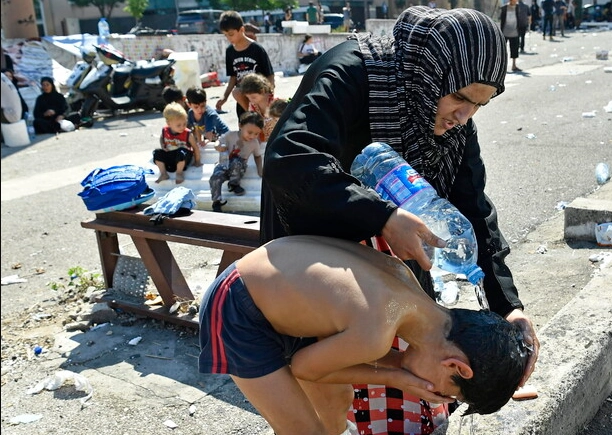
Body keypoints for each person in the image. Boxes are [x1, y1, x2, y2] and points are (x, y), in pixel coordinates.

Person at [259, 7, 539, 434]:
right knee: (327, 394)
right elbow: (290, 160)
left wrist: (509, 307)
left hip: (390, 266)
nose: (464, 116)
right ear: (431, 74)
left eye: (480, 105)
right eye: (460, 98)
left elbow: (472, 208)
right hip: (317, 261)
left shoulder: (455, 121)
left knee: (407, 367)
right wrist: (383, 216)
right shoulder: (351, 74)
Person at [198, 235, 530, 435]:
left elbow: (357, 345)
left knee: (336, 404)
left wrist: (399, 366)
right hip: (239, 307)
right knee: (304, 431)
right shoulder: (377, 328)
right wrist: (398, 377)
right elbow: (302, 367)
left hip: (287, 303)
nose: (431, 393)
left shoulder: (407, 291)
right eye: (445, 394)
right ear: (457, 367)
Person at [215, 11, 274, 119]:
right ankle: (253, 114)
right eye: (225, 35)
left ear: (241, 30)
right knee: (246, 130)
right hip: (243, 99)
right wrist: (225, 97)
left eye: (231, 34)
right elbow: (233, 77)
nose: (228, 38)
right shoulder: (230, 52)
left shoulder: (257, 49)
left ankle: (258, 115)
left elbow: (269, 74)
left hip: (259, 95)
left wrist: (269, 96)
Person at [209, 111, 263, 212]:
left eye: (256, 134)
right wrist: (217, 146)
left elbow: (258, 156)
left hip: (238, 168)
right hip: (224, 165)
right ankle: (216, 202)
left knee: (236, 161)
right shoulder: (230, 135)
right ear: (240, 126)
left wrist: (260, 170)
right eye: (250, 132)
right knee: (215, 178)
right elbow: (218, 141)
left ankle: (234, 184)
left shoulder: (254, 143)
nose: (252, 136)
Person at [238, 73, 275, 177]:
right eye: (248, 97)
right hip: (262, 141)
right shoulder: (253, 105)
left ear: (263, 91)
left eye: (253, 97)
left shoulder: (275, 104)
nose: (251, 100)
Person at [153, 102, 200, 184]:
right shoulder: (165, 131)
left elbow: (195, 147)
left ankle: (179, 173)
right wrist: (162, 145)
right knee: (157, 152)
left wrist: (197, 161)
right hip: (171, 157)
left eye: (184, 124)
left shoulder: (188, 134)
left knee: (181, 152)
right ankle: (163, 173)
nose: (182, 127)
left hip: (183, 159)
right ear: (169, 124)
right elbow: (161, 137)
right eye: (179, 125)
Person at [501, 0, 531, 72]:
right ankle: (502, 67)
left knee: (514, 49)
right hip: (505, 31)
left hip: (515, 31)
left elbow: (518, 18)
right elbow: (502, 19)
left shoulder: (517, 7)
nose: (515, 1)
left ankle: (514, 65)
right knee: (502, 50)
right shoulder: (505, 8)